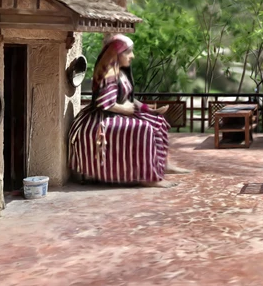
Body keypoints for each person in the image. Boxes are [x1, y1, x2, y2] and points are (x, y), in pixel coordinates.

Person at [69, 34, 189, 186]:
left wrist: (149, 109)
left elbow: (128, 99)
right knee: (144, 128)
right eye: (128, 52)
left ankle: (163, 164)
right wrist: (125, 109)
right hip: (102, 118)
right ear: (117, 54)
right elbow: (104, 103)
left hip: (118, 112)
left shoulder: (121, 72)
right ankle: (147, 177)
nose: (132, 56)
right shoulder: (108, 73)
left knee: (158, 121)